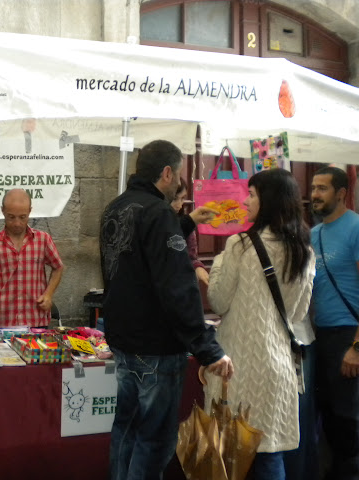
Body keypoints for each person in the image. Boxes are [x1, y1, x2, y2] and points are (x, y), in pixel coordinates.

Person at [99, 139, 233, 480]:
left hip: (125, 342)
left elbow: (142, 256)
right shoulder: (158, 213)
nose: (179, 185)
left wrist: (185, 224)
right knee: (153, 440)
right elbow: (177, 286)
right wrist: (207, 348)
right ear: (167, 172)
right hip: (155, 348)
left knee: (126, 431)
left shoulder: (116, 207)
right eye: (177, 177)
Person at [203, 168, 315, 480]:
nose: (247, 199)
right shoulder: (303, 250)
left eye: (252, 194)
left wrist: (220, 264)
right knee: (269, 455)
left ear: (268, 200)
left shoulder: (239, 245)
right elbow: (296, 313)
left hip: (235, 367)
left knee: (229, 456)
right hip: (278, 367)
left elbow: (218, 300)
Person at [310, 166, 359, 480]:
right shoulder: (313, 234)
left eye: (323, 188)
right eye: (313, 187)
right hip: (320, 334)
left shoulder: (356, 227)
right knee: (326, 410)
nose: (314, 194)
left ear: (341, 193)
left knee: (347, 416)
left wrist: (356, 347)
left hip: (348, 333)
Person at [0, 188, 64, 327]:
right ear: (2, 211)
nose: (17, 223)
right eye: (11, 217)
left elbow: (58, 267)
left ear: (30, 211)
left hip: (35, 321)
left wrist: (48, 294)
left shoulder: (43, 239)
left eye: (22, 217)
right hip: (3, 322)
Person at [171, 178, 209, 286]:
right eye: (174, 199)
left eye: (182, 198)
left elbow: (192, 257)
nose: (179, 204)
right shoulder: (154, 221)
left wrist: (198, 268)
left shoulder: (187, 222)